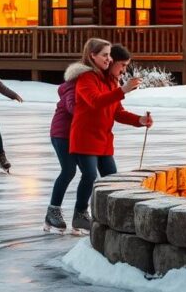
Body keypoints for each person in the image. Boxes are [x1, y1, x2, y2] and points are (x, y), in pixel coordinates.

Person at [69, 40, 151, 234]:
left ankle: (109, 215)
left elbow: (117, 112)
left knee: (112, 178)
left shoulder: (111, 82)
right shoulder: (86, 78)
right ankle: (80, 214)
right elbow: (96, 102)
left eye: (110, 56)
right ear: (93, 57)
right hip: (85, 136)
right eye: (121, 65)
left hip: (103, 139)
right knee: (89, 175)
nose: (123, 69)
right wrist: (122, 91)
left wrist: (139, 120)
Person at [44, 58, 89, 233]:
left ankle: (80, 214)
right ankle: (53, 211)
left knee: (88, 172)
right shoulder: (73, 87)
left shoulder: (82, 85)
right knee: (68, 170)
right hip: (61, 134)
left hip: (76, 135)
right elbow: (72, 106)